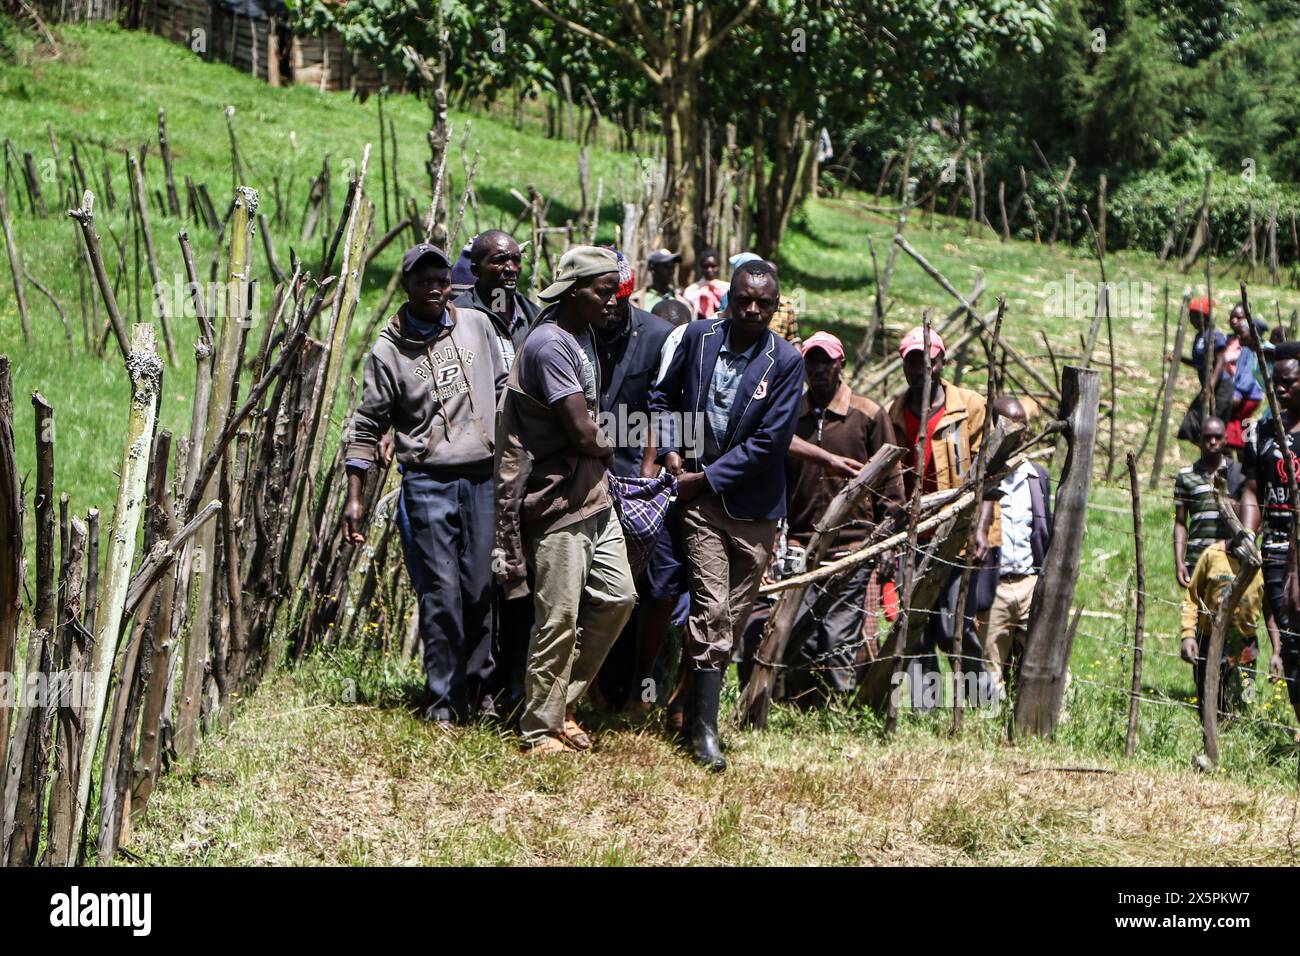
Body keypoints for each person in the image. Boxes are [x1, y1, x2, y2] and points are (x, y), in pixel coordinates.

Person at [343, 243, 506, 729]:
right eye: (423, 280)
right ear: (407, 286)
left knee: (480, 588)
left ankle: (482, 694)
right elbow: (368, 424)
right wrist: (355, 496)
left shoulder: (477, 326)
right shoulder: (388, 352)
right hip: (427, 483)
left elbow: (503, 391)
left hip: (481, 478)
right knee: (440, 594)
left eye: (441, 279)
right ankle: (442, 703)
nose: (435, 288)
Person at [649, 259, 803, 770]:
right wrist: (673, 453)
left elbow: (770, 441)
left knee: (731, 620)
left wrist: (708, 476)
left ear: (776, 308)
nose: (753, 310)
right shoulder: (697, 337)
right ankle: (704, 736)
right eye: (744, 300)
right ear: (727, 299)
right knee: (711, 611)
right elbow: (662, 397)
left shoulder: (785, 361)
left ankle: (687, 707)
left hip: (755, 509)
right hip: (700, 504)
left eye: (764, 303)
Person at [494, 246, 638, 755]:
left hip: (593, 496)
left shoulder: (581, 334)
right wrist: (612, 442)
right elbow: (582, 431)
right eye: (603, 291)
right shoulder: (550, 345)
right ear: (575, 289)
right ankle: (539, 729)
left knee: (619, 598)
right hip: (555, 502)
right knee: (558, 617)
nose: (612, 301)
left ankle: (561, 704)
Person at [781, 331, 905, 703]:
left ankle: (838, 707)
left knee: (838, 634)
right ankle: (799, 705)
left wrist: (885, 541)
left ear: (841, 365)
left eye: (825, 361)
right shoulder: (793, 415)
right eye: (811, 361)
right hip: (801, 542)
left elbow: (891, 483)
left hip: (852, 545)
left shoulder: (866, 414)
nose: (818, 369)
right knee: (798, 629)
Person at [887, 325, 989, 708]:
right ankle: (923, 705)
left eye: (928, 362)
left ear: (941, 362)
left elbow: (988, 474)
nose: (921, 370)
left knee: (953, 624)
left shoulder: (970, 407)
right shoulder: (895, 413)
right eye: (913, 363)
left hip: (956, 532)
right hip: (914, 535)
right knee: (915, 624)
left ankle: (979, 700)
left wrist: (979, 528)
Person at [591, 252, 674, 710]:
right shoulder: (572, 328)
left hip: (642, 486)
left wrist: (650, 471)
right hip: (585, 479)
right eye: (602, 297)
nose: (608, 307)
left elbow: (670, 409)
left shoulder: (658, 337)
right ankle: (594, 687)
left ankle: (644, 686)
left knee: (651, 589)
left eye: (617, 299)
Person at [972, 397, 1052, 697]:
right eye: (1008, 425)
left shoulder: (1037, 476)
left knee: (1042, 656)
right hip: (994, 587)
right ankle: (988, 727)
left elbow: (1045, 531)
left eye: (1022, 427)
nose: (1017, 434)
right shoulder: (981, 475)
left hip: (1029, 583)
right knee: (990, 666)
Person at [1240, 353, 1300, 722]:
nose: (1279, 388)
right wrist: (1248, 532)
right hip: (1276, 550)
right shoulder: (1259, 432)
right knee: (1292, 644)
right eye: (1275, 380)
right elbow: (1251, 489)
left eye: (1288, 382)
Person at [1180, 539, 1266, 714]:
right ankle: (1212, 734)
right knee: (1208, 703)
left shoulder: (1261, 562)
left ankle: (1236, 734)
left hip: (1245, 644)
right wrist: (1188, 634)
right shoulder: (1212, 555)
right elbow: (1193, 597)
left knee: (1243, 702)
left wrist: (1278, 650)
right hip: (1208, 639)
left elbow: (1271, 607)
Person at [453, 229, 539, 372]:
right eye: (500, 260)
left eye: (516, 260)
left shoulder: (533, 315)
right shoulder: (459, 316)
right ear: (476, 270)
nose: (511, 268)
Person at [1173, 417, 1245, 588]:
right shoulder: (1186, 476)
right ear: (1199, 439)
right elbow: (1180, 522)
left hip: (1229, 560)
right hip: (1196, 562)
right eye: (1208, 437)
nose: (1213, 442)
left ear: (1226, 439)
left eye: (1218, 437)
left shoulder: (1238, 474)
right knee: (1196, 612)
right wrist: (1179, 562)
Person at [1179, 296, 1232, 443]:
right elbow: (1201, 363)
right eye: (1190, 316)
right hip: (1208, 388)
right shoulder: (1199, 336)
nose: (1191, 320)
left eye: (1194, 316)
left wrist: (1209, 388)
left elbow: (1221, 361)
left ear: (1204, 317)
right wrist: (1180, 359)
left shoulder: (1214, 335)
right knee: (1189, 427)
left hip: (1220, 389)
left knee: (1212, 430)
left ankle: (1222, 458)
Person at [1224, 305, 1265, 453]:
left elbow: (1247, 378)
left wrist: (1237, 395)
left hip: (1247, 397)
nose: (1239, 338)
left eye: (1242, 334)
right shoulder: (1246, 349)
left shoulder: (1250, 352)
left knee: (1232, 432)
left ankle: (1241, 462)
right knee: (1239, 429)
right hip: (1247, 395)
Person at [682, 248, 728, 321]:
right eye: (706, 266)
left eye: (713, 266)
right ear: (701, 267)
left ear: (718, 267)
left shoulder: (727, 288)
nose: (709, 270)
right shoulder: (690, 291)